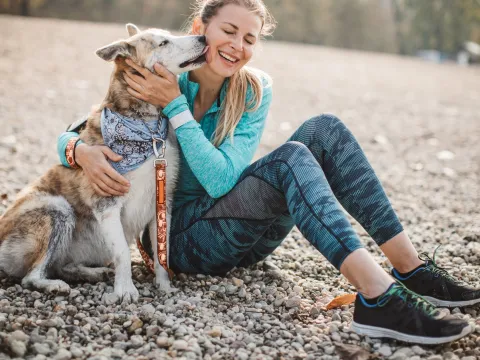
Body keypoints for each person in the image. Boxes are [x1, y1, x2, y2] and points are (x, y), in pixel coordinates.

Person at [57, 0, 479, 344]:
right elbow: (77, 131)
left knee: (324, 130)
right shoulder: (163, 75)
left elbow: (222, 180)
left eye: (249, 38)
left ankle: (412, 270)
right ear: (202, 26)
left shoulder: (253, 88)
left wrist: (176, 111)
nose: (237, 46)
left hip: (242, 239)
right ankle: (377, 296)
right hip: (179, 244)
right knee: (291, 157)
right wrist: (80, 151)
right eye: (228, 31)